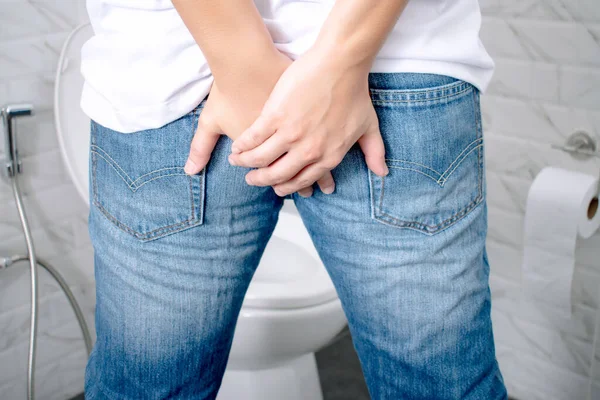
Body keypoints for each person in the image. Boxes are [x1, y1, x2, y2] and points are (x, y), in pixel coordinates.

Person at [81, 0, 507, 398]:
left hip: (175, 65)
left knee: (146, 384)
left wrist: (246, 63)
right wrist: (339, 60)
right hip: (394, 60)